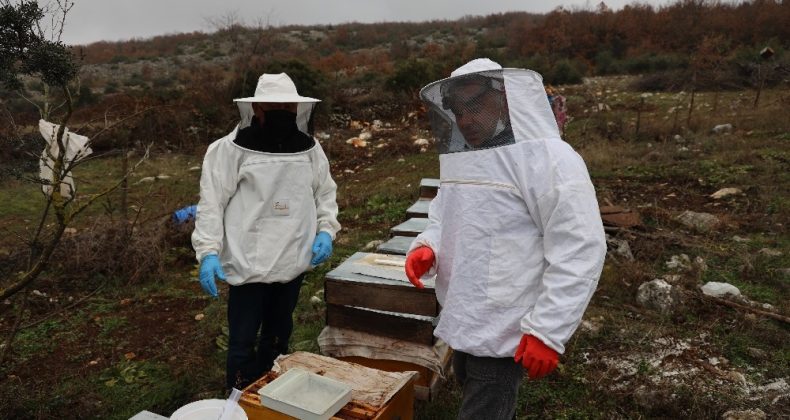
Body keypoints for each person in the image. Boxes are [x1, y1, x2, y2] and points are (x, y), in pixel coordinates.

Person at [405, 59, 606, 419]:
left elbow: (579, 245)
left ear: (504, 99)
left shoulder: (550, 159)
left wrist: (547, 331)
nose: (466, 120)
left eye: (475, 106)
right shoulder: (464, 158)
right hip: (464, 315)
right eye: (458, 110)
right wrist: (428, 245)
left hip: (506, 329)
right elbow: (445, 214)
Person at [192, 73, 340, 390]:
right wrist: (208, 252)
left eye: (287, 106)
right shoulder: (229, 150)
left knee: (277, 337)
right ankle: (239, 398)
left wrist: (326, 230)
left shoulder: (310, 149)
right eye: (275, 106)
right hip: (249, 264)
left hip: (292, 261)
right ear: (257, 108)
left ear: (297, 109)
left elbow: (325, 193)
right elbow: (212, 204)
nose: (282, 112)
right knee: (242, 342)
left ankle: (272, 395)